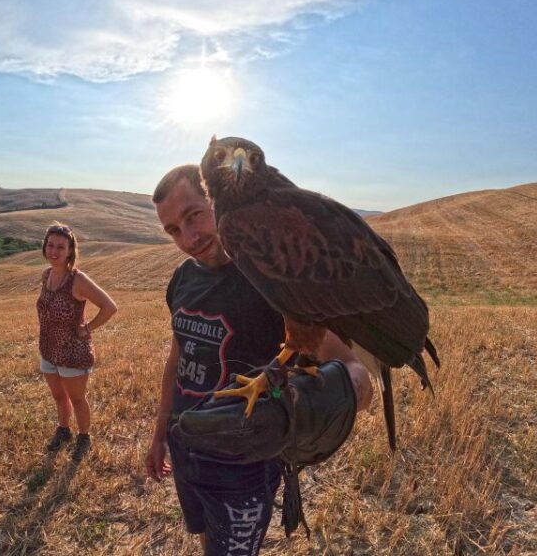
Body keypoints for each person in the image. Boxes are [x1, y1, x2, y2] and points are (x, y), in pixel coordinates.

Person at [144, 165, 374, 555]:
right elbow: (179, 354)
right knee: (206, 540)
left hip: (244, 465)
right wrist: (160, 432)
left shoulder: (273, 279)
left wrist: (309, 404)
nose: (189, 238)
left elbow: (358, 378)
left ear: (219, 201)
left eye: (194, 216)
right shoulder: (183, 278)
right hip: (188, 446)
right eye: (173, 230)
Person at [37, 222, 117, 461]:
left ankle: (84, 437)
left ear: (71, 250)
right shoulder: (47, 275)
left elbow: (110, 307)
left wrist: (87, 328)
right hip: (49, 350)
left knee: (77, 399)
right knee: (59, 397)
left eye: (61, 247)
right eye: (50, 245)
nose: (54, 251)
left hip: (73, 352)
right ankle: (64, 430)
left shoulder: (78, 280)